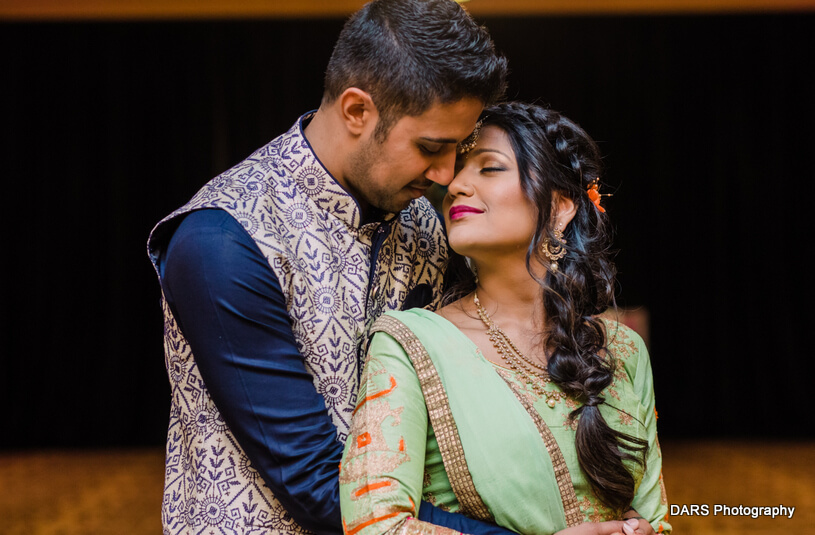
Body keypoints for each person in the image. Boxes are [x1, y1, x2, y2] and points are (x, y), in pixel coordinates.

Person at [146, 1, 509, 534]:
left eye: (458, 149)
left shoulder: (425, 222)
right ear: (357, 110)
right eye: (431, 147)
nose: (445, 173)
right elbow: (317, 486)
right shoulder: (224, 238)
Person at [339, 102, 672, 535]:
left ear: (560, 206)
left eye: (489, 168)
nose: (456, 185)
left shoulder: (622, 351)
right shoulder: (411, 344)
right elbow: (375, 525)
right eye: (459, 170)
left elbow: (657, 518)